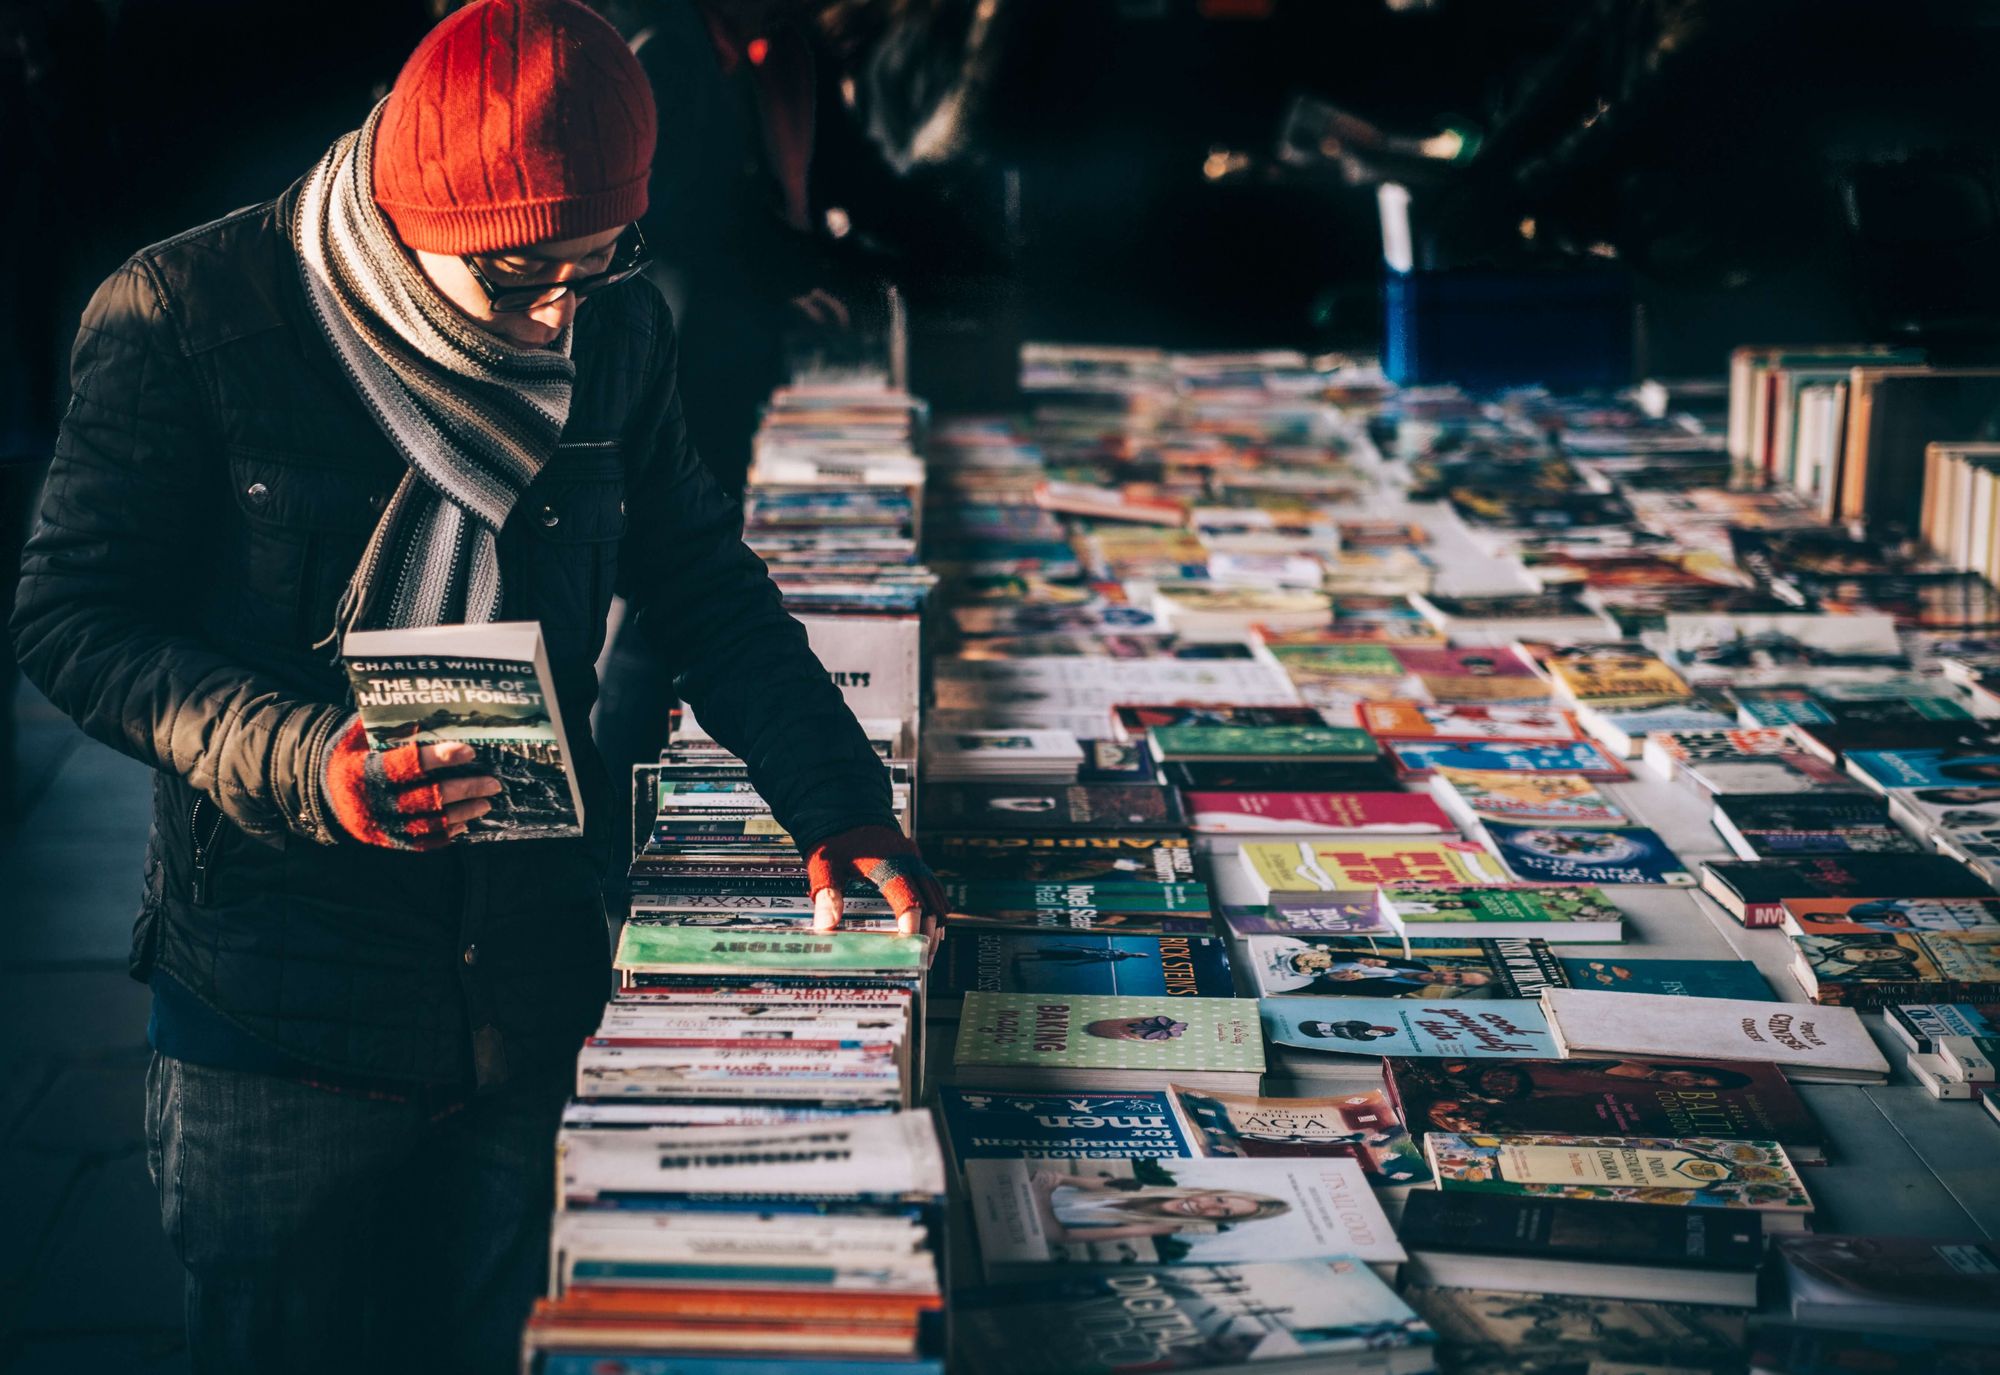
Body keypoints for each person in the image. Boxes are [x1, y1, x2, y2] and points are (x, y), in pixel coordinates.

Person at [8, 3, 943, 1371]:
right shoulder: (186, 316)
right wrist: (305, 755)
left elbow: (702, 581)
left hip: (522, 979)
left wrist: (836, 793)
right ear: (411, 214)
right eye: (519, 278)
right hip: (277, 1008)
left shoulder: (613, 328)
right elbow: (71, 615)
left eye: (600, 258)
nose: (561, 310)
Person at [1027, 1170, 1291, 1245]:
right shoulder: (1138, 1186)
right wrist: (1056, 1180)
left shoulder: (1165, 1225)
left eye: (1223, 1212)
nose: (1207, 1205)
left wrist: (1040, 1200)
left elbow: (1059, 1237)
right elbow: (1063, 1180)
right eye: (1220, 1199)